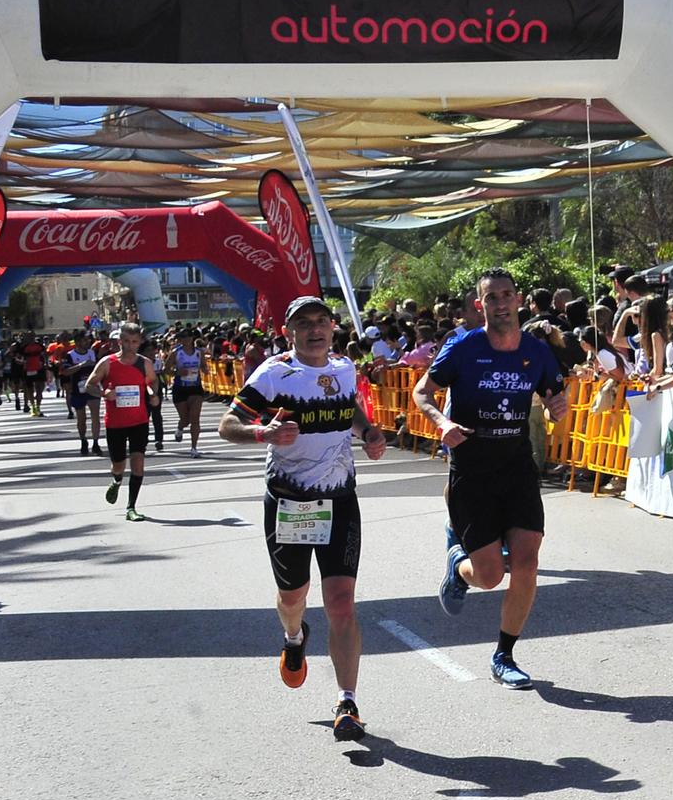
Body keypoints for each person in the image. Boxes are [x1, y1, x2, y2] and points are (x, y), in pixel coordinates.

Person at [218, 296, 389, 740]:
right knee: (293, 598)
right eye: (304, 324)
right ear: (288, 332)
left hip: (339, 500)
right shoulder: (274, 373)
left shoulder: (344, 368)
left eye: (321, 321)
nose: (315, 329)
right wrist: (263, 432)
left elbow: (348, 409)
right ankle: (294, 638)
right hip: (289, 502)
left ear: (332, 327)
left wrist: (368, 431)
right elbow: (227, 424)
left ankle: (347, 702)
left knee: (342, 603)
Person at [416, 268, 571, 688]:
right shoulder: (464, 347)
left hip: (517, 467)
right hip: (473, 469)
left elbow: (557, 394)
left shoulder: (537, 352)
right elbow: (421, 392)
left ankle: (504, 655)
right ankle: (457, 564)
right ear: (480, 305)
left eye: (507, 295)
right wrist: (440, 422)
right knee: (489, 577)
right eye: (492, 297)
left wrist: (560, 409)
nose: (501, 303)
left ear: (518, 300)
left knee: (528, 561)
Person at [83, 323, 160, 521]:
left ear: (139, 342)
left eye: (134, 342)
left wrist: (152, 393)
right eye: (126, 341)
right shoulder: (107, 363)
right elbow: (89, 385)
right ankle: (117, 481)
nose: (130, 345)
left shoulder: (145, 363)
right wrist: (103, 393)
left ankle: (131, 507)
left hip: (139, 421)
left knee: (138, 463)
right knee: (118, 465)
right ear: (120, 341)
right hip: (115, 423)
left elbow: (152, 381)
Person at [61, 332, 101, 455]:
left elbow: (100, 368)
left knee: (95, 415)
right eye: (84, 340)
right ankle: (83, 440)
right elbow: (65, 371)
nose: (87, 342)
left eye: (88, 340)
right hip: (78, 389)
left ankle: (95, 442)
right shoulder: (70, 355)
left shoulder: (92, 353)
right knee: (81, 418)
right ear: (77, 342)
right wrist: (81, 365)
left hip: (92, 388)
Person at [172, 330, 207, 454]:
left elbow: (203, 365)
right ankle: (180, 428)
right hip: (180, 388)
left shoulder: (199, 352)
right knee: (185, 419)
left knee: (195, 419)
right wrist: (177, 372)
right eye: (183, 337)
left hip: (195, 388)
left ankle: (194, 448)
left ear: (192, 338)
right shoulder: (176, 352)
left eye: (188, 337)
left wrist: (204, 369)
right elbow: (165, 369)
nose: (186, 340)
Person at [18, 333, 48, 416]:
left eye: (32, 336)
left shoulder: (40, 346)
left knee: (40, 389)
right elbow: (18, 357)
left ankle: (38, 406)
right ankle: (33, 407)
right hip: (28, 369)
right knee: (29, 389)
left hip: (39, 369)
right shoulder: (24, 348)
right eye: (29, 337)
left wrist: (46, 363)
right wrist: (21, 362)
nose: (31, 338)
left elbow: (45, 354)